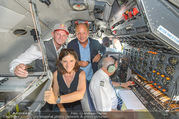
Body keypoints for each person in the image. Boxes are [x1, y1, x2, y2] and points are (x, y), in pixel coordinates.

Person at [44, 48, 86, 115]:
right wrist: (62, 110)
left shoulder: (81, 74)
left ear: (75, 60)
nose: (68, 65)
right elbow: (56, 94)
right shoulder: (56, 74)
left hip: (78, 108)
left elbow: (80, 94)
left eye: (71, 61)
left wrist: (56, 100)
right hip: (62, 106)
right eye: (65, 61)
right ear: (61, 61)